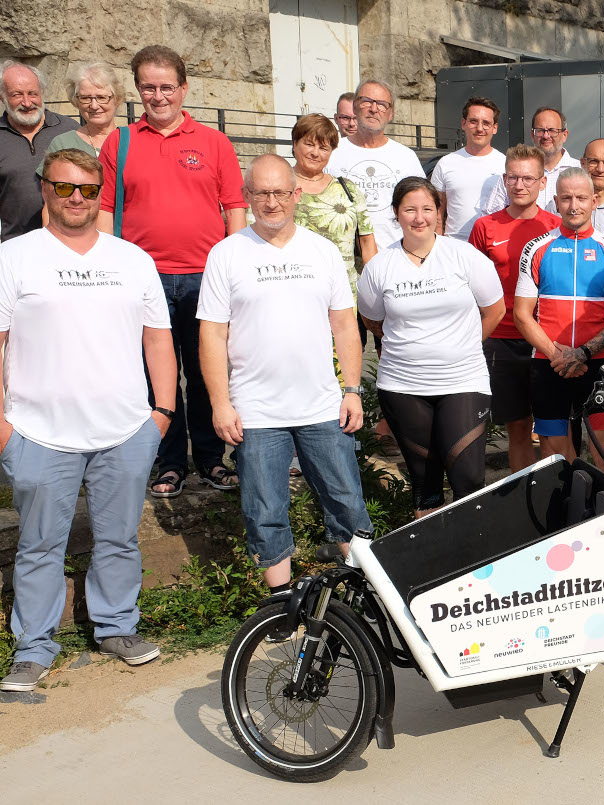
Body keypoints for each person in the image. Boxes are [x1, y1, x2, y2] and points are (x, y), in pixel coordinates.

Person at [0, 149, 175, 692]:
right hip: (36, 431)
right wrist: (2, 428)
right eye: (64, 187)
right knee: (39, 547)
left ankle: (118, 627)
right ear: (45, 190)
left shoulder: (132, 259)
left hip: (124, 429)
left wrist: (162, 413)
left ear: (102, 194)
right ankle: (32, 648)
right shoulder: (14, 258)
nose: (77, 198)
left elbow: (158, 339)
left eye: (89, 189)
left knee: (119, 539)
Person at [198, 154, 372, 591]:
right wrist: (221, 403)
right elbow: (212, 336)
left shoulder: (322, 251)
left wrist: (351, 389)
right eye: (261, 193)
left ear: (296, 194)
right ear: (247, 197)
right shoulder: (226, 254)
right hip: (255, 411)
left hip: (321, 405)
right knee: (264, 511)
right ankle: (282, 607)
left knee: (347, 504)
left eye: (280, 192)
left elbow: (345, 326)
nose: (271, 202)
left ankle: (361, 598)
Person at [98, 45, 247, 498]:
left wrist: (233, 266)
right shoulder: (119, 143)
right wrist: (110, 271)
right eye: (148, 87)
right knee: (154, 376)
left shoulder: (214, 142)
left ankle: (209, 459)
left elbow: (235, 206)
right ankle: (168, 462)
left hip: (206, 277)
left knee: (205, 372)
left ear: (183, 89)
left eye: (166, 87)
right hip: (144, 281)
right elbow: (105, 209)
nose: (158, 95)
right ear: (138, 90)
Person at [359, 177, 505, 517]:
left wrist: (465, 344)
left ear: (439, 212)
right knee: (425, 485)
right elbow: (372, 320)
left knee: (467, 478)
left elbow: (495, 309)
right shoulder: (380, 266)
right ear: (396, 214)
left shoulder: (463, 255)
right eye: (410, 209)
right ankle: (435, 560)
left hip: (463, 381)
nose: (419, 217)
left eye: (427, 208)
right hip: (403, 386)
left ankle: (474, 556)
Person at [514, 168, 604, 471]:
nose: (573, 205)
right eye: (566, 198)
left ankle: (603, 512)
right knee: (554, 453)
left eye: (581, 198)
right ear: (555, 201)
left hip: (597, 362)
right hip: (548, 361)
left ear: (594, 201)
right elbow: (522, 315)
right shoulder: (536, 248)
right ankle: (568, 512)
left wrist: (582, 354)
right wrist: (558, 355)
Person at [468, 144, 561, 472]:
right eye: (512, 178)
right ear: (503, 180)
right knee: (519, 428)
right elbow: (471, 285)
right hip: (504, 338)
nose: (520, 185)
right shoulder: (485, 227)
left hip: (549, 338)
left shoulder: (557, 227)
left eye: (527, 178)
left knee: (553, 428)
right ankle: (524, 493)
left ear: (542, 182)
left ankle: (556, 495)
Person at [326, 78, 423, 248]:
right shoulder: (331, 152)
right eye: (366, 101)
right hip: (344, 258)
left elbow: (422, 206)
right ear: (355, 107)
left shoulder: (406, 157)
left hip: (395, 254)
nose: (373, 109)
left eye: (381, 104)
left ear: (390, 113)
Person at [290, 113, 378, 294]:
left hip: (344, 293)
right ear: (294, 144)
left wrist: (375, 288)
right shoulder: (278, 186)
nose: (315, 153)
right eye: (309, 144)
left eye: (324, 147)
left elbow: (367, 242)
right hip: (295, 292)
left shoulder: (348, 190)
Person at [0, 60, 78, 241]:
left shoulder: (69, 129)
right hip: (14, 245)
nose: (27, 102)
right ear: (2, 97)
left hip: (67, 242)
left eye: (33, 93)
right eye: (16, 95)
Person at [430, 97, 505, 240]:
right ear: (463, 123)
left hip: (494, 245)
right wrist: (436, 246)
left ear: (495, 128)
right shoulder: (446, 163)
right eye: (473, 121)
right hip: (454, 246)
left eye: (486, 123)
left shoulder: (505, 164)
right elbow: (437, 213)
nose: (479, 128)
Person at [483, 107, 580, 213]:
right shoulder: (512, 173)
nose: (546, 136)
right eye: (540, 131)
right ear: (532, 135)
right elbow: (493, 217)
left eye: (552, 131)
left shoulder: (580, 171)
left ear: (564, 135)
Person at [38, 62, 121, 165]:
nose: (94, 106)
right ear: (76, 101)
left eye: (101, 97)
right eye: (85, 98)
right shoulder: (63, 144)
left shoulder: (132, 140)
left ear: (117, 99)